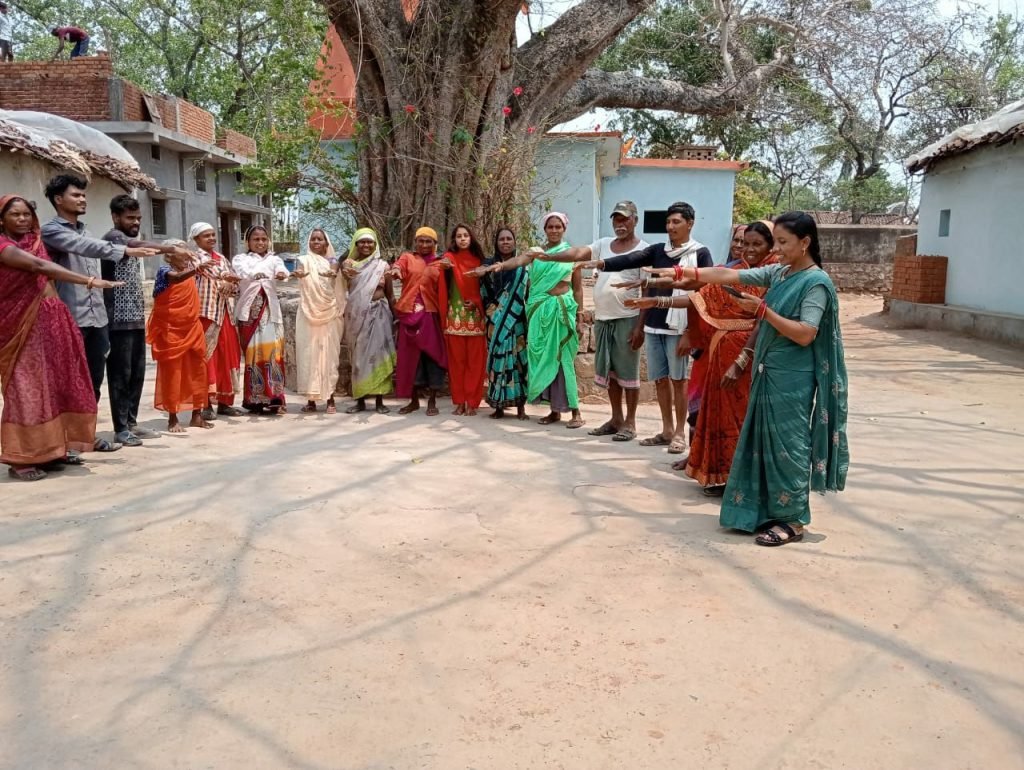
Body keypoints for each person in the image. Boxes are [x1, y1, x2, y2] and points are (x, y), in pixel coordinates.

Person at [648, 211, 849, 546]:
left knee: (789, 447)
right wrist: (683, 271)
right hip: (767, 373)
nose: (779, 250)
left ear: (805, 242)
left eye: (783, 243)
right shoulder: (781, 273)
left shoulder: (816, 284)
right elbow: (729, 275)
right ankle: (763, 511)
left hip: (793, 378)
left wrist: (763, 311)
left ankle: (794, 520)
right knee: (761, 444)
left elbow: (805, 334)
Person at [625, 221, 779, 494]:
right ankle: (723, 475)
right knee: (719, 415)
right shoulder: (735, 271)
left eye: (757, 244)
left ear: (772, 245)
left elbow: (763, 322)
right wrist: (655, 300)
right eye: (745, 243)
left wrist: (742, 360)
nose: (749, 249)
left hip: (751, 359)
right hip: (719, 356)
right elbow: (698, 297)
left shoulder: (776, 276)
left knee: (745, 420)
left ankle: (745, 484)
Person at [570, 201, 712, 454]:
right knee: (660, 381)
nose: (670, 227)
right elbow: (629, 259)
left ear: (690, 224)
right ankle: (667, 430)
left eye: (676, 222)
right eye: (668, 222)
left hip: (679, 328)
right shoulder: (658, 250)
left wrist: (691, 332)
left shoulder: (700, 253)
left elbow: (703, 294)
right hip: (655, 326)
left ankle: (680, 433)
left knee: (679, 381)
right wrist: (600, 264)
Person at [0, 195, 122, 481]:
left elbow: (48, 281)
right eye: (15, 215)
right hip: (18, 325)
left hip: (51, 319)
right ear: (1, 220)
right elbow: (40, 269)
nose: (22, 219)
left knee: (56, 384)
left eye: (26, 214)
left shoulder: (36, 242)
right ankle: (22, 458)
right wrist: (90, 281)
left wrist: (60, 317)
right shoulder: (4, 247)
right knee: (26, 388)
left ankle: (53, 450)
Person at [40, 174, 157, 452]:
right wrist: (129, 250)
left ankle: (85, 436)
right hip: (70, 318)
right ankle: (63, 441)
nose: (82, 199)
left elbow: (89, 245)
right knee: (67, 381)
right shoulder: (52, 231)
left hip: (97, 319)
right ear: (59, 200)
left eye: (83, 195)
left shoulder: (87, 231)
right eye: (76, 195)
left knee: (92, 382)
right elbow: (86, 248)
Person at [533, 201, 647, 440]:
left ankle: (631, 423)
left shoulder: (644, 250)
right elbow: (576, 253)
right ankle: (616, 419)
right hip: (604, 320)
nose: (620, 224)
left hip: (627, 318)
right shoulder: (604, 244)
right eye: (616, 219)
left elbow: (646, 291)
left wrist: (640, 327)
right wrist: (548, 256)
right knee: (612, 374)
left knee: (629, 375)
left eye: (625, 219)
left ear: (635, 220)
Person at [471, 212, 585, 428]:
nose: (553, 230)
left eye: (557, 227)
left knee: (564, 361)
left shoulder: (571, 254)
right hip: (538, 313)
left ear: (564, 229)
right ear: (545, 230)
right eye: (550, 227)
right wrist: (499, 266)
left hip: (561, 312)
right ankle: (554, 412)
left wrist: (580, 317)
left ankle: (576, 412)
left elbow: (578, 289)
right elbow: (519, 260)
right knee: (544, 360)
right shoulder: (537, 253)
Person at [101, 195, 189, 447]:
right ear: (116, 217)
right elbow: (136, 242)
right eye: (130, 218)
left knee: (136, 374)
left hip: (136, 318)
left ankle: (131, 422)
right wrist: (171, 248)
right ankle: (120, 428)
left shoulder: (130, 242)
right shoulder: (113, 238)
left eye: (138, 218)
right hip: (117, 319)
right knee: (120, 374)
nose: (135, 222)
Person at [147, 243, 214, 433]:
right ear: (169, 256)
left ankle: (197, 415)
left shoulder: (191, 269)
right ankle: (173, 417)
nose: (186, 254)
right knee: (173, 372)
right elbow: (176, 279)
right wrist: (195, 270)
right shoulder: (165, 270)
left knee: (198, 369)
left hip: (192, 327)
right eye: (181, 251)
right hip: (171, 329)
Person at [391, 227, 448, 416]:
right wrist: (397, 271)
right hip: (409, 314)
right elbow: (399, 266)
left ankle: (432, 401)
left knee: (432, 357)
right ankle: (413, 401)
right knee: (409, 360)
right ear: (415, 242)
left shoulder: (441, 263)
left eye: (428, 241)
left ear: (435, 244)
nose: (424, 245)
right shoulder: (408, 258)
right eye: (420, 241)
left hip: (431, 315)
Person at [232, 225, 289, 414]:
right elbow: (241, 273)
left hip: (270, 312)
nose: (260, 243)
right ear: (248, 242)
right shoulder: (241, 259)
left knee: (273, 353)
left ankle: (275, 398)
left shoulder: (274, 259)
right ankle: (254, 399)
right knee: (252, 356)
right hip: (249, 314)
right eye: (256, 239)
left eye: (264, 239)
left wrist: (282, 274)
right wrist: (254, 275)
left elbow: (282, 271)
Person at [190, 222, 243, 420]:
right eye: (206, 236)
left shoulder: (221, 258)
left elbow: (234, 285)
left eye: (213, 235)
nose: (212, 238)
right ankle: (204, 404)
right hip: (205, 314)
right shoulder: (193, 258)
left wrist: (231, 284)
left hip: (225, 313)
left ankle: (225, 402)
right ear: (196, 239)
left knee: (228, 356)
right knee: (207, 358)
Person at [340, 227, 396, 414]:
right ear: (356, 244)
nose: (366, 245)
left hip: (379, 314)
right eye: (362, 241)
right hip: (356, 315)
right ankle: (360, 400)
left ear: (375, 244)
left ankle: (380, 400)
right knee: (358, 358)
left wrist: (397, 316)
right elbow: (340, 287)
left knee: (380, 356)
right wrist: (343, 271)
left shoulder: (383, 266)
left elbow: (390, 294)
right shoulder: (349, 265)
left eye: (369, 241)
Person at [292, 228, 344, 414]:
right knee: (308, 355)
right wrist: (297, 274)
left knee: (329, 356)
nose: (316, 242)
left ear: (326, 243)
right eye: (313, 239)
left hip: (329, 313)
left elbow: (334, 269)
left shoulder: (332, 261)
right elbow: (299, 271)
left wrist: (332, 273)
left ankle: (330, 398)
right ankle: (311, 401)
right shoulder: (304, 260)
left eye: (320, 239)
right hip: (308, 312)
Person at [479, 227, 529, 420]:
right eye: (502, 239)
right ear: (496, 242)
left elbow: (527, 292)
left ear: (514, 242)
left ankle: (520, 408)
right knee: (498, 362)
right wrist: (494, 313)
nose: (506, 242)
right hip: (495, 322)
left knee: (518, 363)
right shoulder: (488, 265)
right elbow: (483, 292)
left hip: (516, 321)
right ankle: (498, 406)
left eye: (509, 239)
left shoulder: (523, 266)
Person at [439, 224, 487, 416]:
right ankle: (459, 401)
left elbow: (485, 290)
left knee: (475, 363)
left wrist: (476, 302)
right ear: (454, 239)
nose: (462, 239)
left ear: (471, 238)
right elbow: (439, 267)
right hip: (455, 317)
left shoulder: (480, 262)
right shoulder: (449, 259)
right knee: (456, 363)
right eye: (459, 236)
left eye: (466, 235)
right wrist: (443, 268)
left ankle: (472, 402)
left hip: (475, 318)